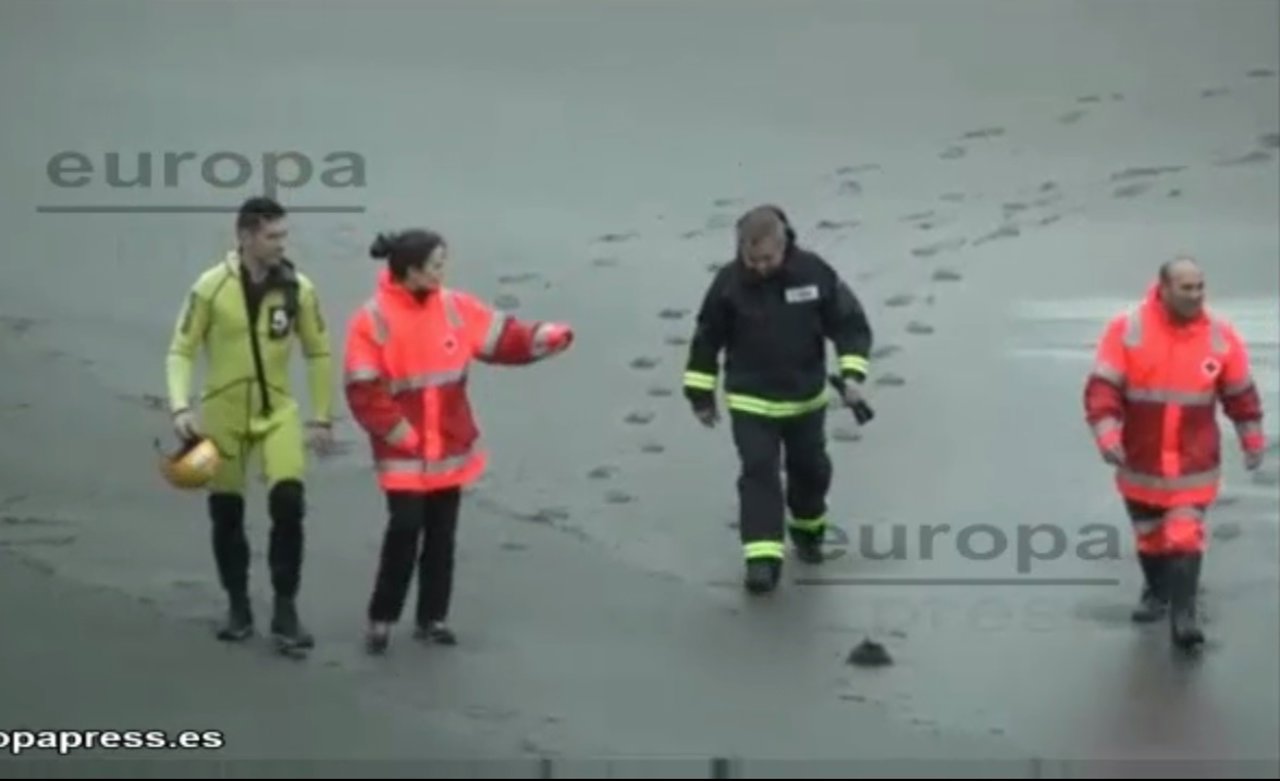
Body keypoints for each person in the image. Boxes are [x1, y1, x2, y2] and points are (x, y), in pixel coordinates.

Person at [343, 229, 575, 653]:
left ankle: (433, 617)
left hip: (448, 448)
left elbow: (503, 338)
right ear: (411, 271)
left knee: (442, 535)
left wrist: (544, 337)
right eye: (435, 265)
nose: (441, 272)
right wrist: (402, 435)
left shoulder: (454, 307)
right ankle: (382, 616)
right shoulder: (372, 319)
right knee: (405, 529)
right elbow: (363, 390)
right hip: (405, 454)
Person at [165, 196, 335, 652]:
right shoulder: (210, 287)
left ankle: (285, 608)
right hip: (222, 415)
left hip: (277, 411)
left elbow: (318, 352)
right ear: (245, 237)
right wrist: (181, 406)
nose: (282, 244)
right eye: (272, 236)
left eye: (284, 235)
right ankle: (238, 605)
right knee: (227, 512)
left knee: (289, 502)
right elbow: (181, 349)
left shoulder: (298, 289)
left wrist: (321, 416)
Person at [682, 205, 875, 594]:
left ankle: (808, 531)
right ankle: (762, 560)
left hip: (805, 401)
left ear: (783, 245)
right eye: (751, 260)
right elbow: (706, 342)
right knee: (759, 474)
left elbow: (850, 324)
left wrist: (853, 374)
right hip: (750, 402)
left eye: (767, 259)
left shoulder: (815, 273)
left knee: (811, 471)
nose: (759, 268)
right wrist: (700, 395)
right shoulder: (727, 285)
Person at [1084, 257, 1266, 650]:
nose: (1196, 295)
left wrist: (1252, 439)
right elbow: (1102, 390)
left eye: (1200, 286)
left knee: (1184, 535)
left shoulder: (1221, 336)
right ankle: (1156, 591)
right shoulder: (1127, 330)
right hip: (1139, 461)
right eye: (1187, 288)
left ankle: (1184, 616)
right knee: (1149, 537)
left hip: (1193, 464)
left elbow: (1240, 395)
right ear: (1163, 289)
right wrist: (1107, 434)